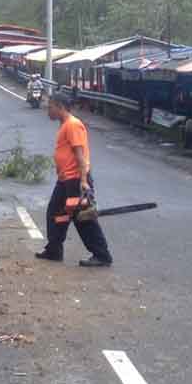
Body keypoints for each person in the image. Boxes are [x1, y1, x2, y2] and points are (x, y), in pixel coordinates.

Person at [35, 93, 113, 267]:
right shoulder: (65, 125)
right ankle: (54, 250)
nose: (48, 110)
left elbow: (81, 156)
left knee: (83, 218)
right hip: (66, 180)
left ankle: (102, 255)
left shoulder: (73, 125)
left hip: (76, 179)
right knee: (56, 214)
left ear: (60, 107)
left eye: (50, 107)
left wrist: (84, 182)